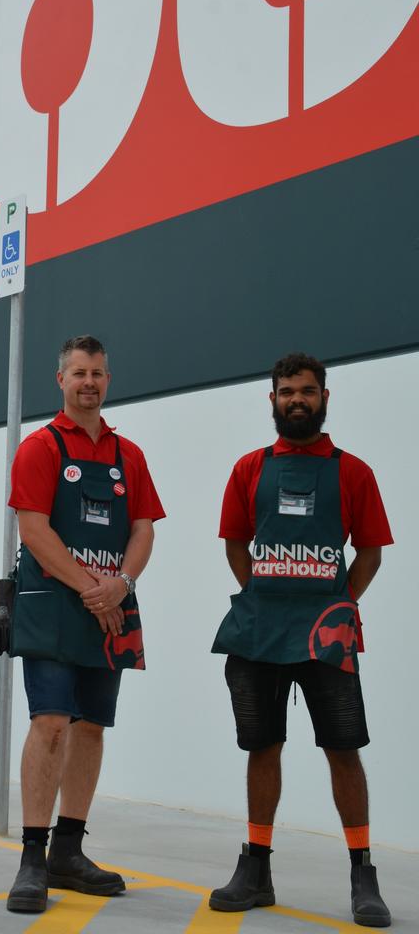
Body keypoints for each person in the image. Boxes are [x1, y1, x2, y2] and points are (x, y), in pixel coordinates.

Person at [210, 352, 393, 928]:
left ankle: (363, 873)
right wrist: (266, 596)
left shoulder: (353, 472)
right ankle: (256, 867)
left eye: (307, 391)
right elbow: (236, 544)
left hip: (326, 635)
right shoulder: (249, 469)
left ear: (324, 398)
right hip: (259, 631)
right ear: (272, 400)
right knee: (262, 747)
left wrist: (338, 606)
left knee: (344, 749)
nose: (297, 400)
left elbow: (370, 551)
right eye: (287, 391)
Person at [5, 334, 165, 913]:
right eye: (79, 373)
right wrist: (92, 586)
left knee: (93, 726)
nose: (89, 382)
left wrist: (121, 584)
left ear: (107, 380)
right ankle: (31, 857)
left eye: (97, 373)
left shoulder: (130, 456)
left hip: (110, 607)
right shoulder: (41, 447)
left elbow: (144, 527)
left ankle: (68, 852)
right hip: (52, 603)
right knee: (50, 723)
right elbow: (34, 530)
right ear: (61, 380)